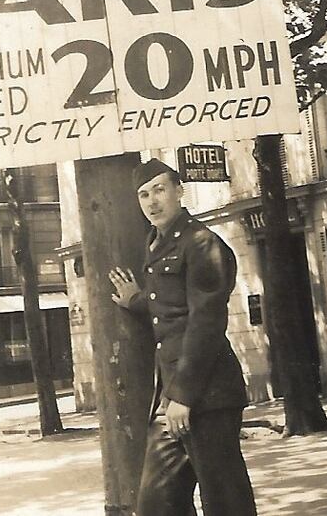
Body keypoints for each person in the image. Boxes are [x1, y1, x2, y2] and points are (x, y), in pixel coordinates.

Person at [109, 158, 257, 516]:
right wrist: (136, 301)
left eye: (160, 189)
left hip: (206, 395)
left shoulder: (203, 244)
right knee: (156, 504)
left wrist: (184, 397)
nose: (152, 201)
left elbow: (205, 322)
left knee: (224, 501)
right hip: (172, 397)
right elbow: (170, 306)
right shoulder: (157, 243)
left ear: (179, 191)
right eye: (144, 194)